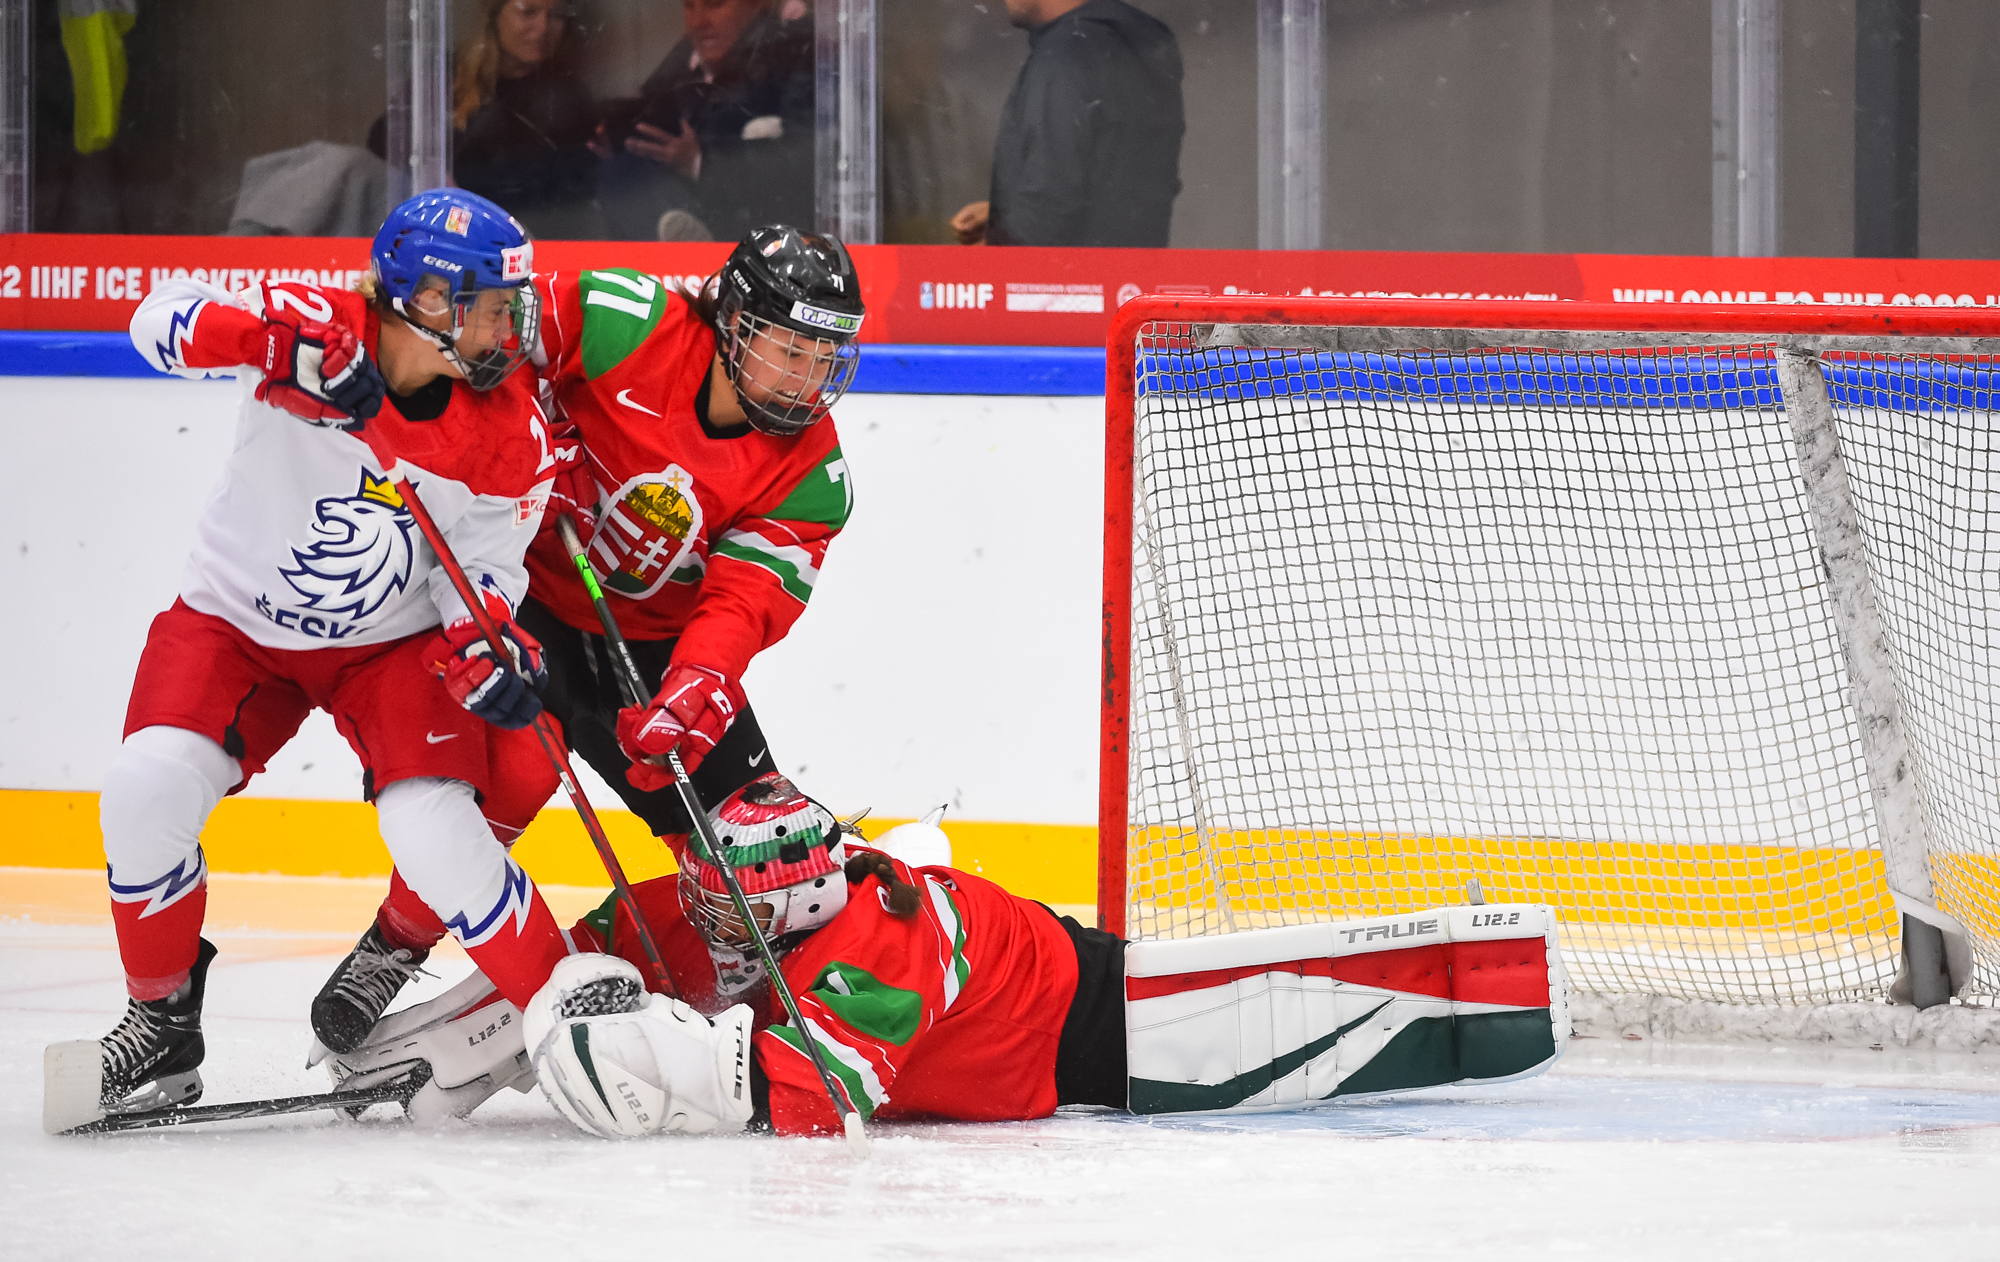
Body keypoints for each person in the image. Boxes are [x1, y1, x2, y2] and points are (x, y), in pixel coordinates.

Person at [307, 223, 865, 1051]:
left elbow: (743, 601)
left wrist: (694, 686)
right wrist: (526, 436)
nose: (807, 381)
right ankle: (396, 942)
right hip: (524, 596)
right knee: (513, 777)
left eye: (825, 360)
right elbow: (496, 342)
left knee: (758, 853)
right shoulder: (622, 319)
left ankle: (767, 1007)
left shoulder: (814, 477)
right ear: (734, 322)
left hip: (658, 649)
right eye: (791, 350)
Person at [84, 189, 573, 1115]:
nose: (515, 327)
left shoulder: (511, 428)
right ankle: (162, 1023)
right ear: (430, 301)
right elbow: (155, 320)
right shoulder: (309, 326)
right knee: (144, 790)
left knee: (432, 827)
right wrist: (261, 344)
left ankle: (564, 1011)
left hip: (385, 650)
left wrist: (487, 640)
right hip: (232, 625)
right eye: (497, 305)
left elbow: (487, 571)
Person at [324, 773, 1574, 1135]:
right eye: (703, 893)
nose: (704, 923)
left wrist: (590, 1046)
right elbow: (588, 943)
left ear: (796, 903)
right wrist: (479, 1026)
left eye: (729, 910)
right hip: (1029, 964)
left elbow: (805, 1101)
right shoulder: (747, 890)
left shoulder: (874, 945)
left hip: (1097, 1041)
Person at [951, 0, 1185, 248]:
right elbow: (1119, 186)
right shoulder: (1137, 42)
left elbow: (1048, 211)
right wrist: (1004, 216)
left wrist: (992, 250)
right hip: (1125, 277)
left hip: (1063, 281)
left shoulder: (1065, 56)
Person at [597, 0, 814, 242]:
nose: (699, 21)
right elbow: (649, 111)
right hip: (677, 215)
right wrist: (616, 139)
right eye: (689, 7)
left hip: (749, 240)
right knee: (620, 170)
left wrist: (698, 162)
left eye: (714, 4)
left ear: (754, 6)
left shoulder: (790, 59)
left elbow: (802, 167)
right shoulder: (682, 63)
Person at [451, 0, 603, 240]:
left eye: (557, 16)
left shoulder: (570, 98)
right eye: (528, 12)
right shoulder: (449, 77)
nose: (543, 27)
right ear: (495, 13)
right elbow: (386, 137)